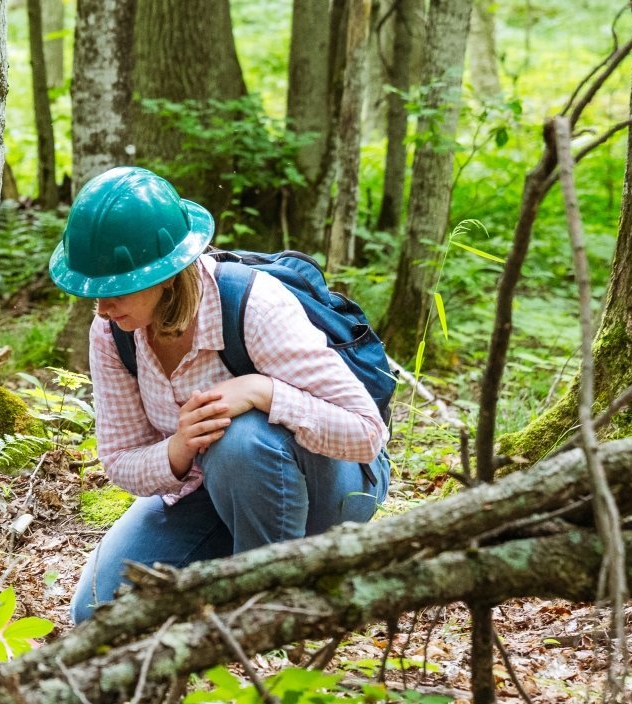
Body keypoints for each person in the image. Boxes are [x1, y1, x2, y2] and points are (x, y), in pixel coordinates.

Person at [52, 168, 391, 622]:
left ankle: (265, 614)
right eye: (92, 291)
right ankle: (236, 582)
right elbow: (119, 460)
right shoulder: (112, 332)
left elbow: (367, 435)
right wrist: (177, 449)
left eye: (117, 289)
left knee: (241, 438)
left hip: (328, 484)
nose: (102, 307)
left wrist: (264, 391)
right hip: (208, 491)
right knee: (97, 611)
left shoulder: (253, 306)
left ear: (167, 275)